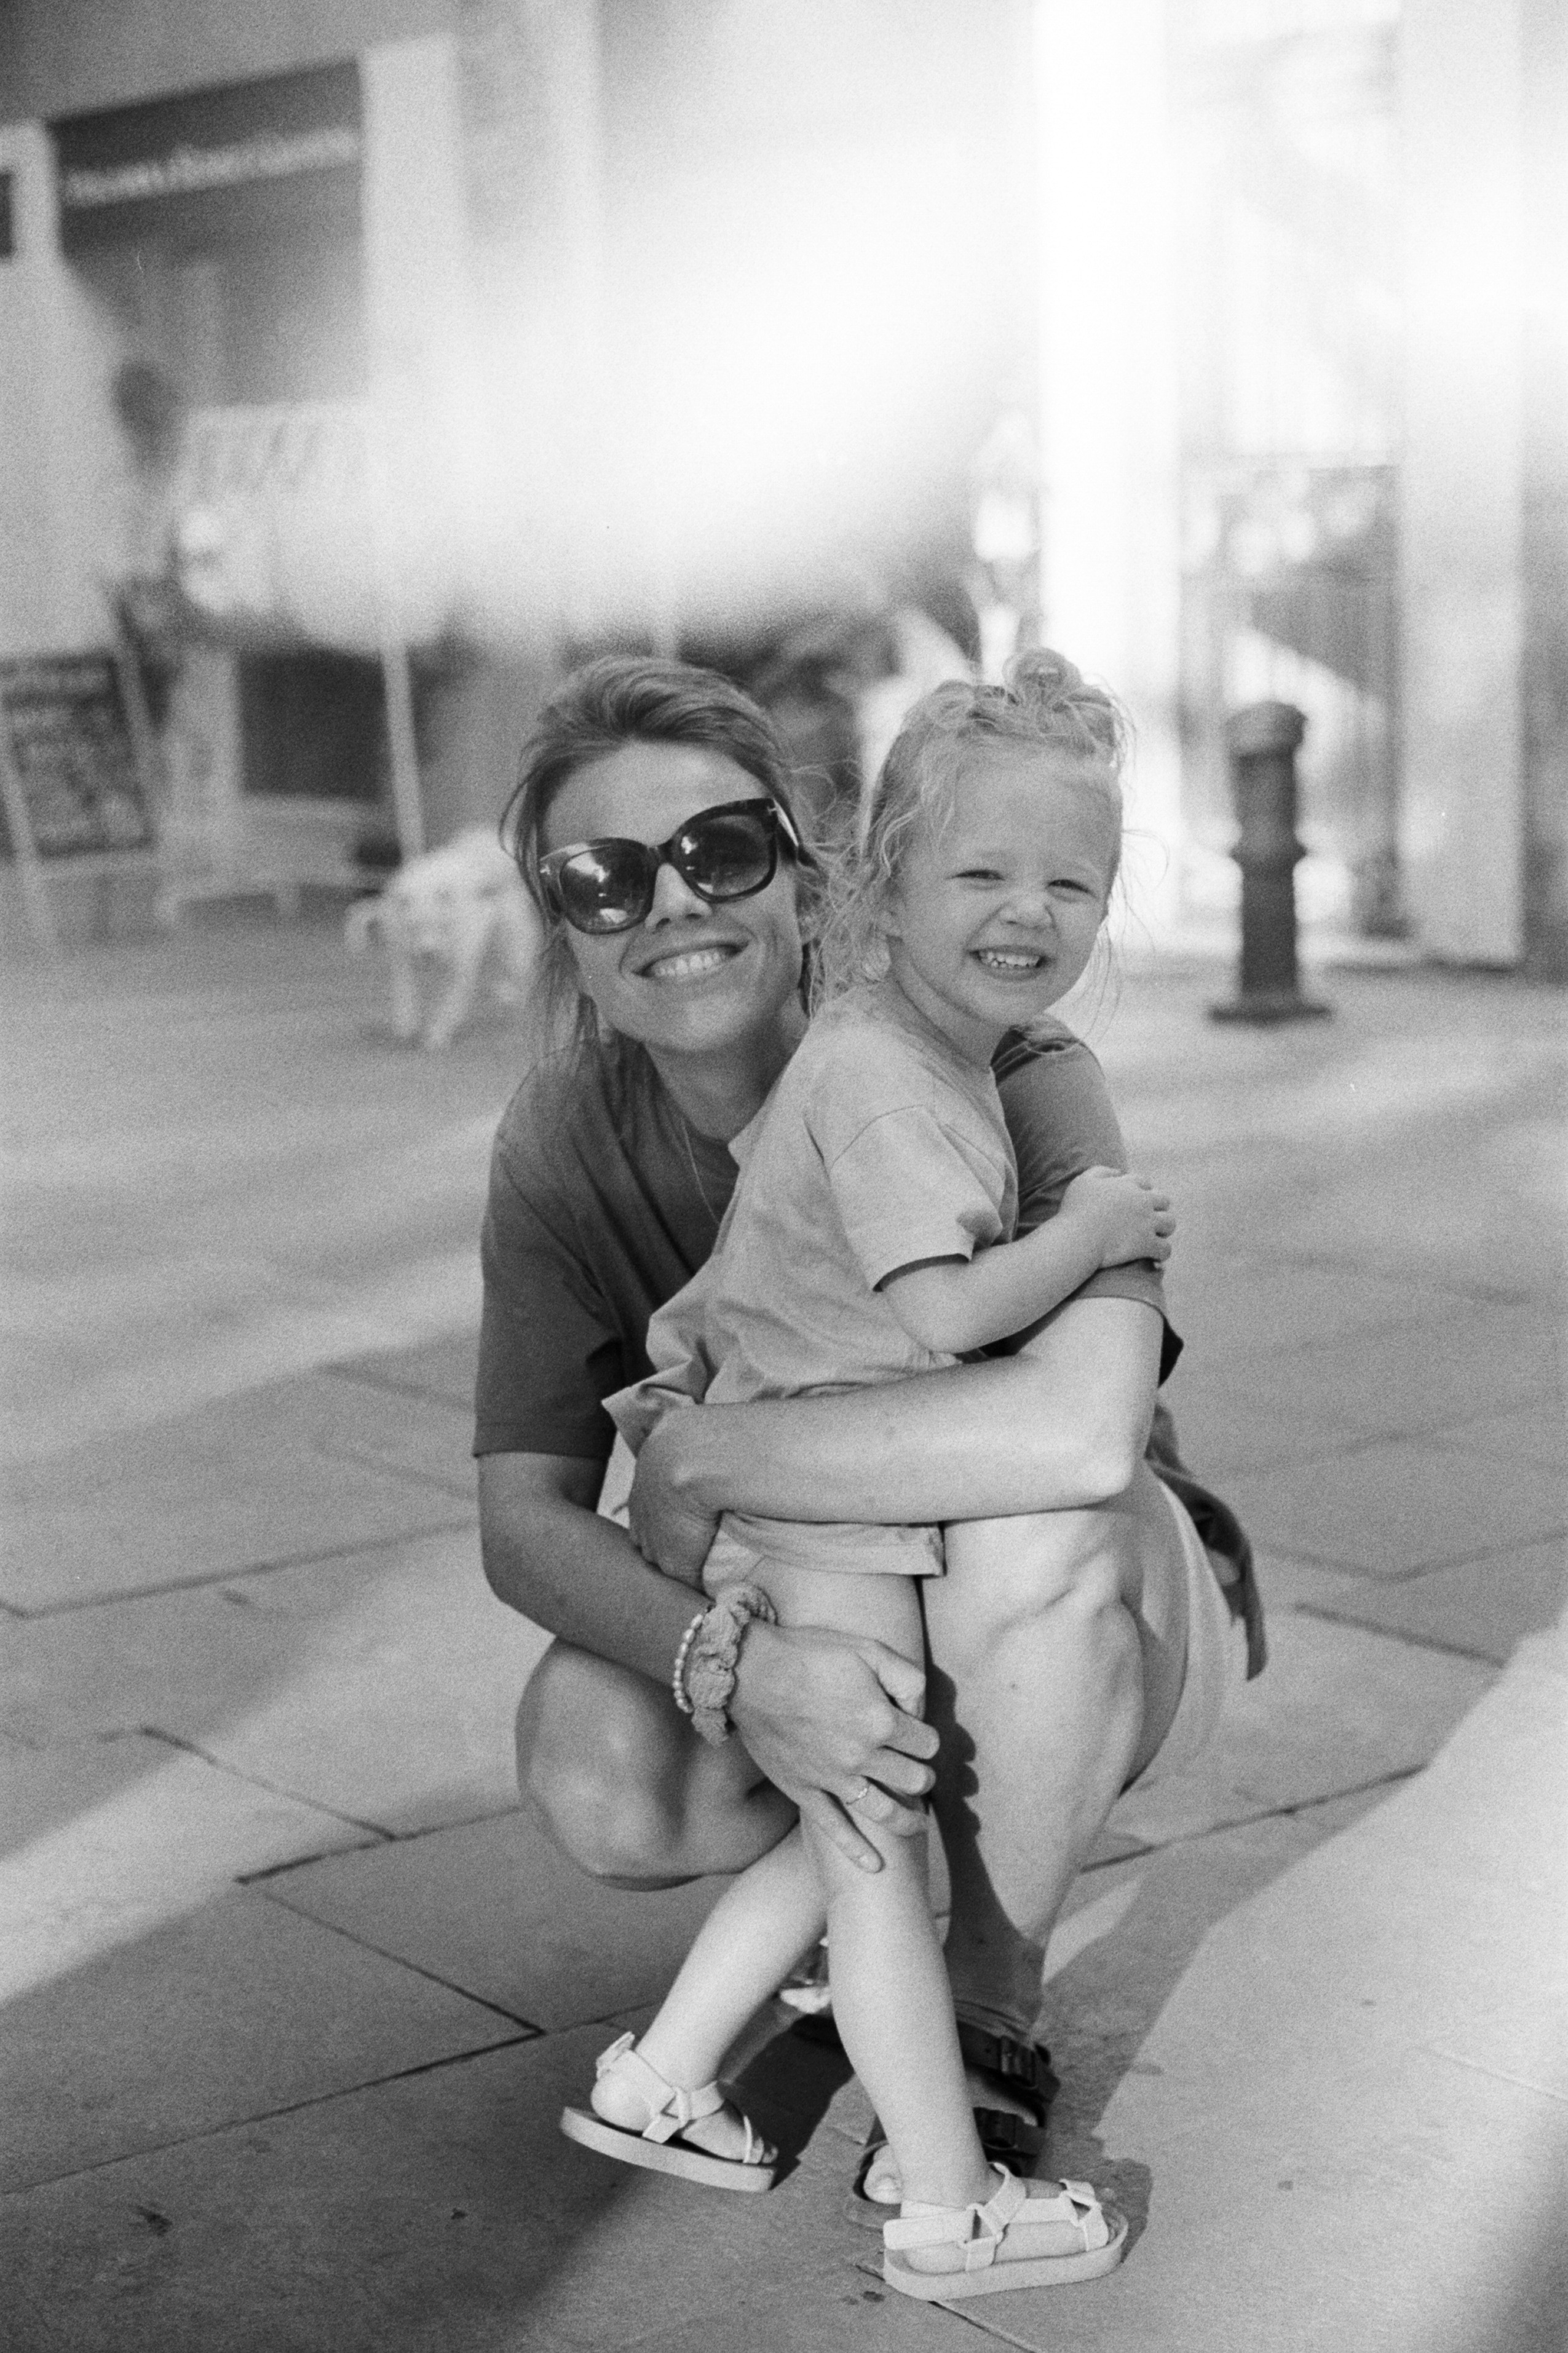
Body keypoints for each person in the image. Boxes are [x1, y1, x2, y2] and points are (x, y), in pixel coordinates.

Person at [475, 655, 1262, 2244]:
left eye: (720, 850)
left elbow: (1080, 1433)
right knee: (609, 1761)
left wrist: (707, 1458)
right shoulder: (567, 1133)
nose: (671, 902)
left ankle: (983, 1999)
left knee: (1021, 1535)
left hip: (1089, 1585)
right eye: (602, 877)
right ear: (563, 926)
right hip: (831, 1572)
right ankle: (819, 1986)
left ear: (813, 867)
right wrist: (732, 1663)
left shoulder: (1013, 1061)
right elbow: (522, 1521)